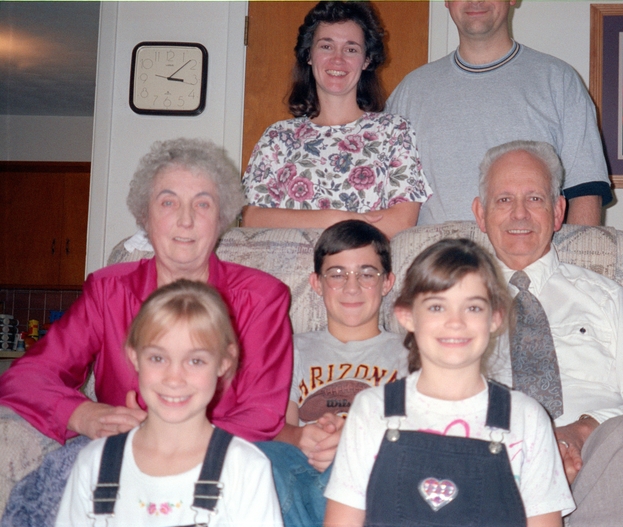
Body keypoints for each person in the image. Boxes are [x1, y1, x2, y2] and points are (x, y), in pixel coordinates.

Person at [0, 138, 292, 526]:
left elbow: (261, 413)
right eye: (168, 202)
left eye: (202, 204)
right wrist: (80, 413)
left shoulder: (261, 298)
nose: (185, 220)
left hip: (220, 459)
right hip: (118, 460)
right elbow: (27, 377)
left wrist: (173, 446)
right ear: (145, 216)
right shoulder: (108, 291)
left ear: (221, 218)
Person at [471, 140, 623, 526]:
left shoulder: (605, 298)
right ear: (480, 214)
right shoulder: (448, 304)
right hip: (492, 471)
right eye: (503, 200)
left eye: (534, 198)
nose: (519, 213)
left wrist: (585, 429)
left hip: (600, 473)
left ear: (558, 211)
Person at [324, 238, 574, 527]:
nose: (455, 322)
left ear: (495, 318)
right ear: (407, 316)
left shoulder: (526, 418)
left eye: (473, 308)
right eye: (436, 307)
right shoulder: (372, 410)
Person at [55, 280, 284, 527]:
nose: (174, 379)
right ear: (135, 357)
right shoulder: (94, 464)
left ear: (224, 362)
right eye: (157, 358)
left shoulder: (245, 468)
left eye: (195, 361)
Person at [386, 0, 612, 227]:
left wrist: (578, 262)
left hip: (529, 260)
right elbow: (384, 198)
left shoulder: (559, 81)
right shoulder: (410, 91)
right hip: (435, 259)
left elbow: (586, 190)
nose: (475, 1)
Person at [259, 220, 408, 527]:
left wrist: (352, 442)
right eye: (336, 274)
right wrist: (301, 436)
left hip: (369, 469)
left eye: (367, 274)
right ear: (316, 283)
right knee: (261, 456)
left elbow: (415, 433)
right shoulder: (291, 348)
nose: (351, 287)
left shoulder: (408, 353)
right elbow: (277, 428)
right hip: (303, 469)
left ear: (387, 282)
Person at [241, 1, 432, 238]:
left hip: (363, 272)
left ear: (366, 60)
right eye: (326, 46)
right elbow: (251, 219)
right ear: (309, 55)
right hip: (287, 272)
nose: (337, 59)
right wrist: (335, 218)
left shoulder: (393, 132)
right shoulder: (277, 137)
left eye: (351, 49)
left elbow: (401, 222)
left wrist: (311, 222)